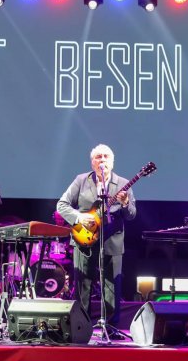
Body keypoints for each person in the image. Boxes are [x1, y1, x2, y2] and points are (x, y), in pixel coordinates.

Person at [57, 144, 136, 339]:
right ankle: (80, 328)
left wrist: (125, 203)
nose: (102, 160)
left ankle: (110, 328)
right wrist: (79, 217)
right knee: (82, 285)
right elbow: (62, 205)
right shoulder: (81, 180)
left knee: (112, 287)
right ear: (92, 162)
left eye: (106, 157)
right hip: (83, 240)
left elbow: (131, 215)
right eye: (98, 157)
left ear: (112, 162)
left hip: (112, 242)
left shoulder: (123, 183)